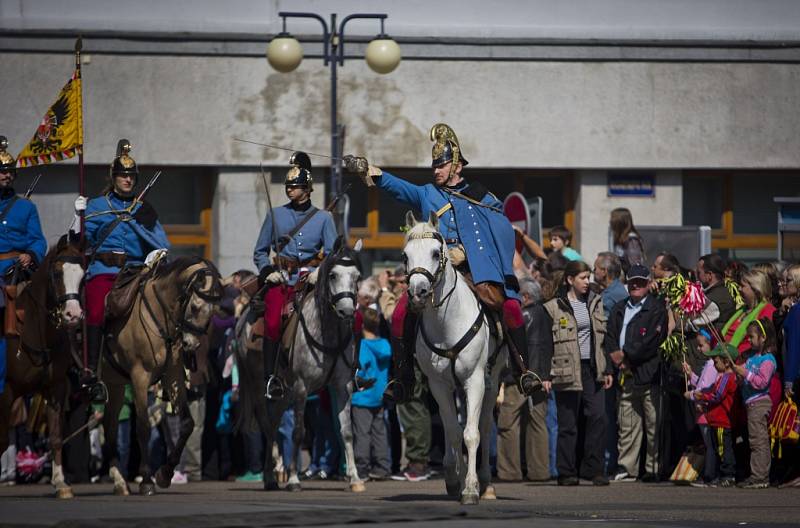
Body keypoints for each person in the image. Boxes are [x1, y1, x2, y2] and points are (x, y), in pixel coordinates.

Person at [344, 123, 538, 401]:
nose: (436, 171)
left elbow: (502, 231)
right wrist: (369, 170)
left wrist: (469, 254)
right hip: (433, 271)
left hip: (475, 269)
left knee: (511, 308)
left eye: (441, 165)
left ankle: (524, 371)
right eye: (434, 166)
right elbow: (398, 188)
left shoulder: (483, 197)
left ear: (457, 166)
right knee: (400, 314)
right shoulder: (427, 194)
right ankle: (404, 379)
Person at [73, 139, 170, 393]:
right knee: (94, 309)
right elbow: (79, 243)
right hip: (105, 272)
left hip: (137, 272)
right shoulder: (96, 206)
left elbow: (160, 243)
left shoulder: (143, 209)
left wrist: (155, 257)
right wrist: (77, 218)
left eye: (131, 176)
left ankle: (171, 367)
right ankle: (91, 371)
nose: (127, 180)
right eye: (122, 175)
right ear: (113, 178)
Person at [252, 151, 337, 400]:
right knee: (273, 318)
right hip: (283, 278)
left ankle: (350, 369)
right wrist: (268, 272)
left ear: (307, 189)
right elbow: (259, 252)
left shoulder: (324, 218)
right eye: (288, 186)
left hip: (312, 280)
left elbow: (332, 253)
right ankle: (272, 378)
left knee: (344, 313)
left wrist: (320, 272)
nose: (290, 190)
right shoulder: (275, 215)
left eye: (295, 186)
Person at [543, 260, 612, 486]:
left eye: (588, 277)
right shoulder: (554, 307)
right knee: (568, 423)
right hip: (565, 369)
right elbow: (544, 344)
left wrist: (608, 368)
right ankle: (566, 471)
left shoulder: (595, 302)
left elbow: (604, 340)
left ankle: (594, 470)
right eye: (582, 278)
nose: (587, 282)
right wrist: (545, 375)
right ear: (570, 280)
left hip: (592, 369)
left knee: (597, 417)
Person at [605, 264, 668, 482]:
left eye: (641, 281)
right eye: (632, 281)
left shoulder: (656, 308)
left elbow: (651, 342)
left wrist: (627, 357)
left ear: (649, 283)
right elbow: (610, 333)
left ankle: (652, 468)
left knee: (653, 423)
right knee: (627, 423)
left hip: (647, 374)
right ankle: (626, 467)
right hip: (626, 375)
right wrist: (614, 353)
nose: (636, 285)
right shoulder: (620, 307)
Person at [0, 136, 47, 395]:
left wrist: (30, 253)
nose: (6, 175)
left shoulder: (26, 207)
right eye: (2, 171)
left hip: (16, 271)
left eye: (9, 171)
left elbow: (38, 240)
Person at [496, 277, 552, 482]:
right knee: (537, 423)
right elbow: (548, 347)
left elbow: (511, 348)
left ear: (525, 296)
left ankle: (509, 471)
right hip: (541, 376)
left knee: (507, 423)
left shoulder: (520, 316)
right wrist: (545, 374)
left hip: (519, 377)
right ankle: (539, 471)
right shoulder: (545, 313)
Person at [730, 318, 778, 489]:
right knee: (754, 441)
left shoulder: (768, 360)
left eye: (751, 337)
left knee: (759, 441)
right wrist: (739, 376)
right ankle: (756, 474)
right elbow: (746, 380)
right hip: (750, 403)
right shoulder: (751, 358)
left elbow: (762, 382)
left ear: (763, 338)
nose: (748, 340)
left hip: (760, 403)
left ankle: (760, 476)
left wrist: (746, 373)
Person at [685, 342, 738, 488]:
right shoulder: (722, 377)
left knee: (724, 450)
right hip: (716, 420)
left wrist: (699, 396)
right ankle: (719, 475)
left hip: (722, 421)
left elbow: (717, 396)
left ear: (726, 362)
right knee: (717, 448)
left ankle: (728, 475)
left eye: (716, 361)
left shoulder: (727, 377)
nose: (714, 365)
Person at [351, 308, 392, 481]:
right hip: (379, 395)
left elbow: (360, 369)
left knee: (362, 434)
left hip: (362, 396)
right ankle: (383, 467)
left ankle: (362, 469)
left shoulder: (363, 346)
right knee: (380, 433)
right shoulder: (385, 344)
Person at [721, 270, 777, 357]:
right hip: (726, 359)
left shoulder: (768, 310)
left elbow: (759, 343)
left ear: (756, 289)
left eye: (742, 286)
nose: (739, 288)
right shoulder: (742, 310)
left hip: (744, 362)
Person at [609, 208, 645, 275]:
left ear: (620, 222)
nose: (610, 222)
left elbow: (636, 266)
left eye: (612, 219)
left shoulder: (631, 240)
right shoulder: (619, 240)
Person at [593, 252, 627, 317]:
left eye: (595, 269)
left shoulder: (607, 298)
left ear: (604, 272)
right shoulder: (619, 288)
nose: (593, 272)